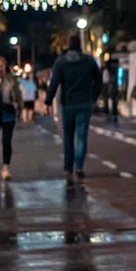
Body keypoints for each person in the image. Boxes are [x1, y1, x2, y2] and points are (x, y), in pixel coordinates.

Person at [45, 40, 104, 183]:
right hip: (84, 103)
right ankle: (79, 166)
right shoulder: (89, 61)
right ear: (80, 47)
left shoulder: (61, 62)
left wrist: (48, 101)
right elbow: (99, 80)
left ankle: (68, 166)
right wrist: (93, 97)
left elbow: (54, 82)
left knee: (68, 136)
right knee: (82, 136)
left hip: (67, 103)